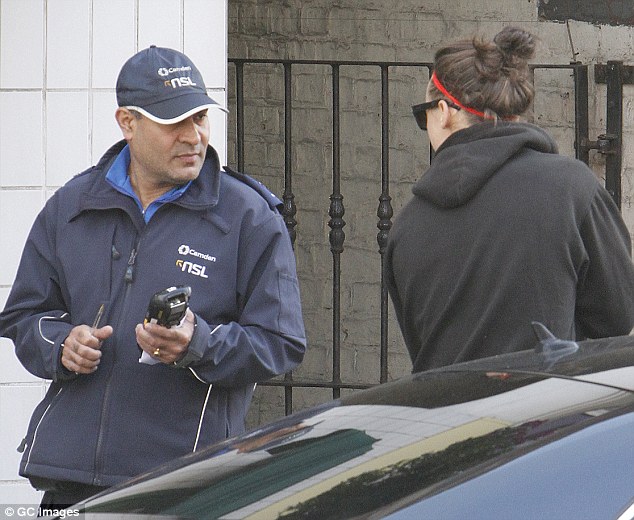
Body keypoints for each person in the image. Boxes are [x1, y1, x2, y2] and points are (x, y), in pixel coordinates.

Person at [0, 46, 306, 507]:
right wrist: (62, 345)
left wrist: (198, 344)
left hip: (186, 483)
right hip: (70, 480)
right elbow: (24, 315)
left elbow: (281, 343)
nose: (194, 136)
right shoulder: (72, 205)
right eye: (173, 123)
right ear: (127, 122)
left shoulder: (250, 216)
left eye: (200, 117)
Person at [385, 26, 634, 373]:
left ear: (444, 111)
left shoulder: (406, 228)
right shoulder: (573, 189)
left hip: (446, 421)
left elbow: (423, 348)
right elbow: (618, 317)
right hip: (544, 419)